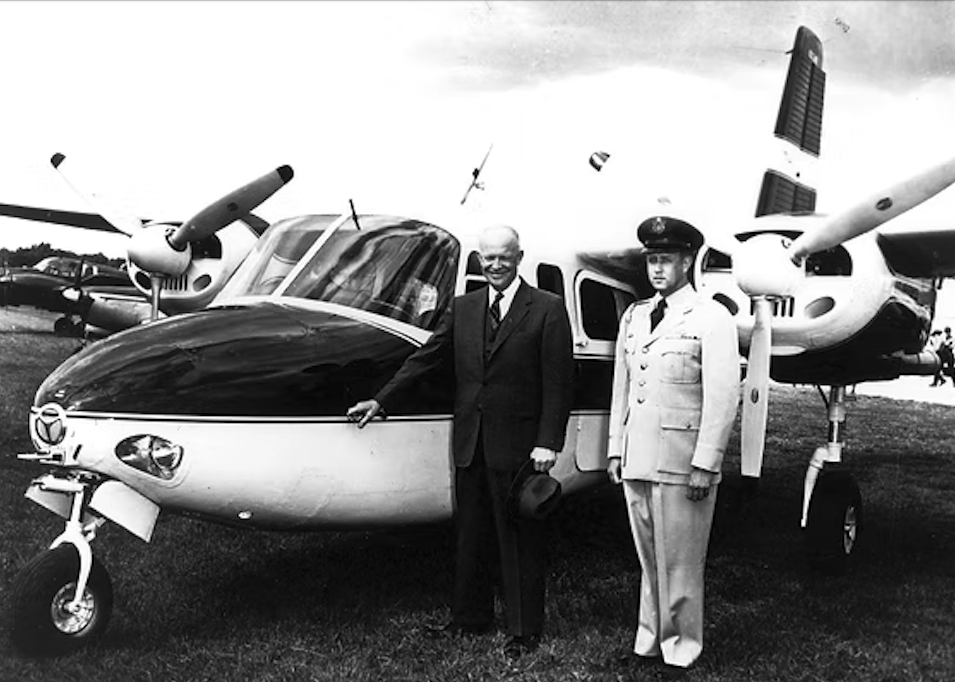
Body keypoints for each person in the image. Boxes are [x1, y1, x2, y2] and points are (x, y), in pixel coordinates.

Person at [347, 224, 574, 658]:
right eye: (487, 258)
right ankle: (470, 618)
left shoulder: (547, 309)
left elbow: (559, 383)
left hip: (519, 444)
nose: (494, 265)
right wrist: (381, 400)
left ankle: (524, 631)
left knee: (518, 537)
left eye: (503, 257)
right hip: (470, 442)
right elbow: (427, 357)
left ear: (519, 256)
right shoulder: (465, 307)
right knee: (470, 534)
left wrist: (548, 442)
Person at [607, 215, 739, 675]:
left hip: (683, 461)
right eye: (652, 261)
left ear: (687, 262)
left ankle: (681, 647)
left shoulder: (711, 317)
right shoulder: (636, 315)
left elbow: (723, 396)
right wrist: (615, 449)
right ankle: (649, 640)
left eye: (666, 260)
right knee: (649, 557)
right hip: (639, 455)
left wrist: (707, 462)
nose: (657, 269)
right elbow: (622, 385)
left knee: (681, 561)